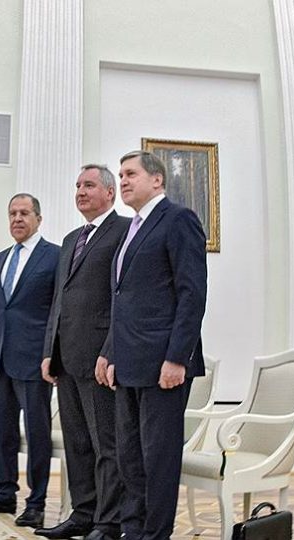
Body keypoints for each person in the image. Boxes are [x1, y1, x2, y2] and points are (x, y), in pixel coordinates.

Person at [99, 150, 207, 540]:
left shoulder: (178, 220)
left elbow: (191, 294)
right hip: (128, 362)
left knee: (157, 458)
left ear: (157, 179)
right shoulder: (133, 228)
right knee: (129, 456)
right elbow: (123, 298)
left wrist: (178, 357)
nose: (123, 181)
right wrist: (110, 352)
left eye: (131, 174)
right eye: (121, 175)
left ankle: (155, 534)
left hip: (163, 363)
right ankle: (132, 530)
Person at [35, 165, 129, 540]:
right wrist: (49, 350)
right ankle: (83, 513)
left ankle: (108, 522)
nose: (81, 191)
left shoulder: (124, 232)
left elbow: (123, 297)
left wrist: (112, 350)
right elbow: (59, 300)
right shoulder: (71, 238)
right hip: (67, 358)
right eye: (77, 186)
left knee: (106, 444)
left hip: (100, 359)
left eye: (89, 185)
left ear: (110, 192)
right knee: (77, 443)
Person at [0, 194, 59, 529]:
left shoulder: (55, 256)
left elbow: (57, 313)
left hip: (35, 362)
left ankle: (36, 502)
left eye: (24, 213)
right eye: (12, 214)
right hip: (0, 360)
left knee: (36, 435)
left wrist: (52, 355)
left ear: (38, 218)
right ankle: (4, 493)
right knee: (2, 432)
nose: (17, 219)